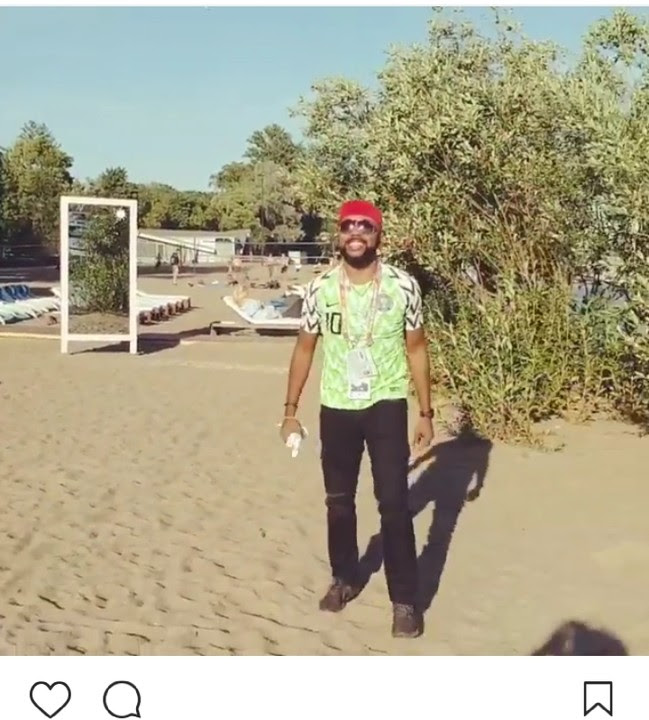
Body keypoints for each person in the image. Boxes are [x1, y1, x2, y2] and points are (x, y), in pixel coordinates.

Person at [279, 199, 435, 638]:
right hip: (336, 406)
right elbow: (304, 349)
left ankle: (405, 601)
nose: (356, 233)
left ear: (378, 235)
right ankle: (344, 577)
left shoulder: (403, 287)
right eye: (348, 225)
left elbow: (417, 348)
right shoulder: (320, 289)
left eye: (365, 226)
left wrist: (426, 412)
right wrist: (289, 412)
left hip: (386, 403)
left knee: (394, 503)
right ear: (339, 234)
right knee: (338, 500)